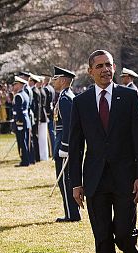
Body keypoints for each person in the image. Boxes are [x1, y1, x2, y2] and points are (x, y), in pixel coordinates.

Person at [68, 50, 138, 253]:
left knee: (123, 233)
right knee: (102, 238)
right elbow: (76, 146)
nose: (105, 69)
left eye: (109, 65)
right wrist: (76, 183)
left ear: (114, 68)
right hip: (95, 181)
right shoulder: (81, 102)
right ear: (90, 71)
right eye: (100, 66)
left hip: (126, 179)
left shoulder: (129, 96)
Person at [51, 65, 80, 223]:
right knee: (66, 181)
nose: (53, 82)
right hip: (63, 142)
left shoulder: (65, 99)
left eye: (55, 79)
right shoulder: (65, 96)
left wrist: (65, 147)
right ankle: (71, 212)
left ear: (62, 80)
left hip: (64, 145)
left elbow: (69, 125)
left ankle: (71, 214)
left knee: (65, 181)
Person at [11, 76, 32, 167]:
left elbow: (19, 111)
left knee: (22, 141)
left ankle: (24, 160)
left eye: (15, 84)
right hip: (26, 120)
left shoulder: (18, 96)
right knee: (25, 140)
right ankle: (27, 159)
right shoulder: (25, 94)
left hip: (21, 121)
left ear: (19, 85)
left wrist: (18, 123)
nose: (14, 86)